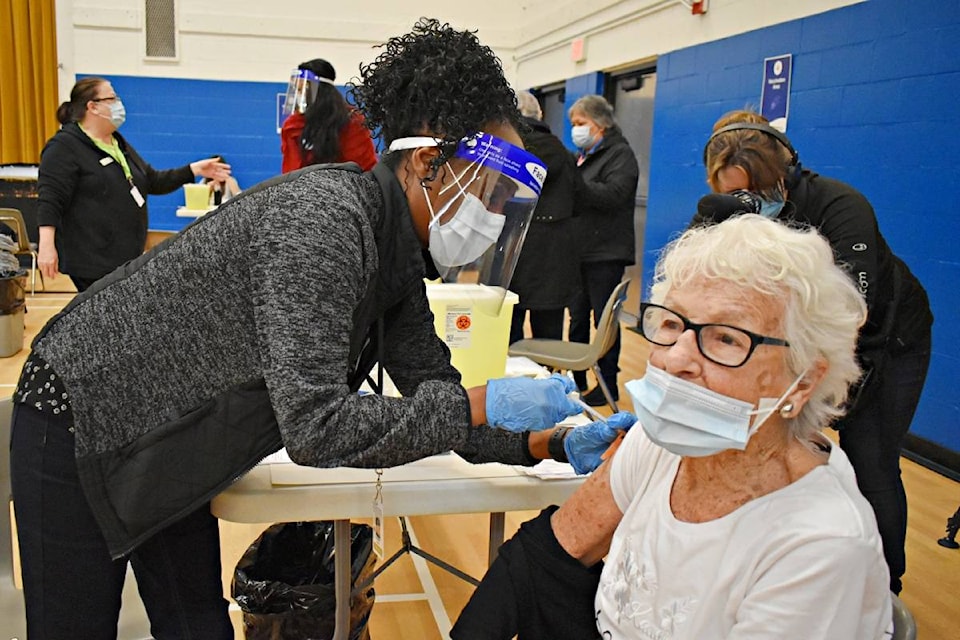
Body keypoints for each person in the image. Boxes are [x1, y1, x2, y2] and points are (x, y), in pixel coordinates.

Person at [9, 19, 622, 639]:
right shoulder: (325, 221)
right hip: (79, 411)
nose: (492, 216)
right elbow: (317, 426)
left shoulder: (396, 257)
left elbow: (440, 403)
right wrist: (482, 402)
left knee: (196, 624)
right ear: (429, 163)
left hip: (173, 428)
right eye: (491, 193)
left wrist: (548, 445)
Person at [453, 214, 894, 639]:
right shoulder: (659, 444)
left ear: (804, 382)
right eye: (672, 323)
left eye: (725, 337)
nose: (674, 357)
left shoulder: (821, 546)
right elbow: (542, 558)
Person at [696, 109, 933, 594]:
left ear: (781, 175)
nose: (747, 204)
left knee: (871, 459)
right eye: (733, 193)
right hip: (797, 344)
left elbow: (851, 311)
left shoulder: (841, 206)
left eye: (754, 194)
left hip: (885, 343)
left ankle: (885, 590)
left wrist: (808, 392)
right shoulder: (729, 208)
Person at [36, 77, 231, 292]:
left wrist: (193, 170)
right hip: (92, 259)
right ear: (93, 107)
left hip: (124, 256)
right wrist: (47, 245)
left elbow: (152, 181)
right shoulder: (65, 146)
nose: (119, 104)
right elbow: (50, 199)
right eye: (112, 98)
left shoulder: (117, 142)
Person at [566, 94, 638, 406]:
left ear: (600, 124)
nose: (576, 130)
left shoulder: (620, 154)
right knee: (578, 317)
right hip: (580, 250)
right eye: (573, 125)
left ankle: (607, 382)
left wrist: (576, 187)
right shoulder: (582, 156)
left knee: (604, 320)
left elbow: (615, 194)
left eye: (580, 124)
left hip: (606, 252)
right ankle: (577, 376)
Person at [507, 91, 579, 344]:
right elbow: (577, 196)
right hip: (555, 254)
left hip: (514, 249)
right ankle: (548, 380)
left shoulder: (511, 149)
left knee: (508, 329)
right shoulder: (560, 148)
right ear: (540, 115)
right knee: (548, 333)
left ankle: (503, 381)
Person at [280, 57, 378, 173]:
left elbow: (364, 167)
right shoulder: (293, 125)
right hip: (305, 188)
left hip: (346, 186)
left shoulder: (352, 121)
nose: (299, 96)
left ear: (320, 91)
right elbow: (291, 171)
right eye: (298, 90)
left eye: (303, 90)